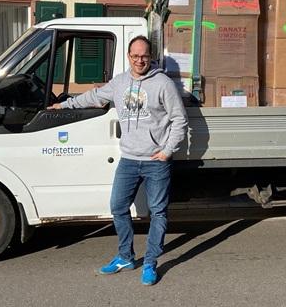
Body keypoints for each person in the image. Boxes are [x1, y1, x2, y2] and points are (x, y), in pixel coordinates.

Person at [48, 35, 188, 285]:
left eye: (144, 56)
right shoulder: (120, 82)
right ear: (128, 56)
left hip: (156, 161)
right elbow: (94, 97)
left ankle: (150, 262)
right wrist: (64, 105)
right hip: (129, 160)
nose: (139, 60)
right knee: (118, 207)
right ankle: (125, 256)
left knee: (158, 212)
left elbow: (179, 119)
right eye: (135, 56)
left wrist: (167, 151)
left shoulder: (163, 83)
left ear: (151, 57)